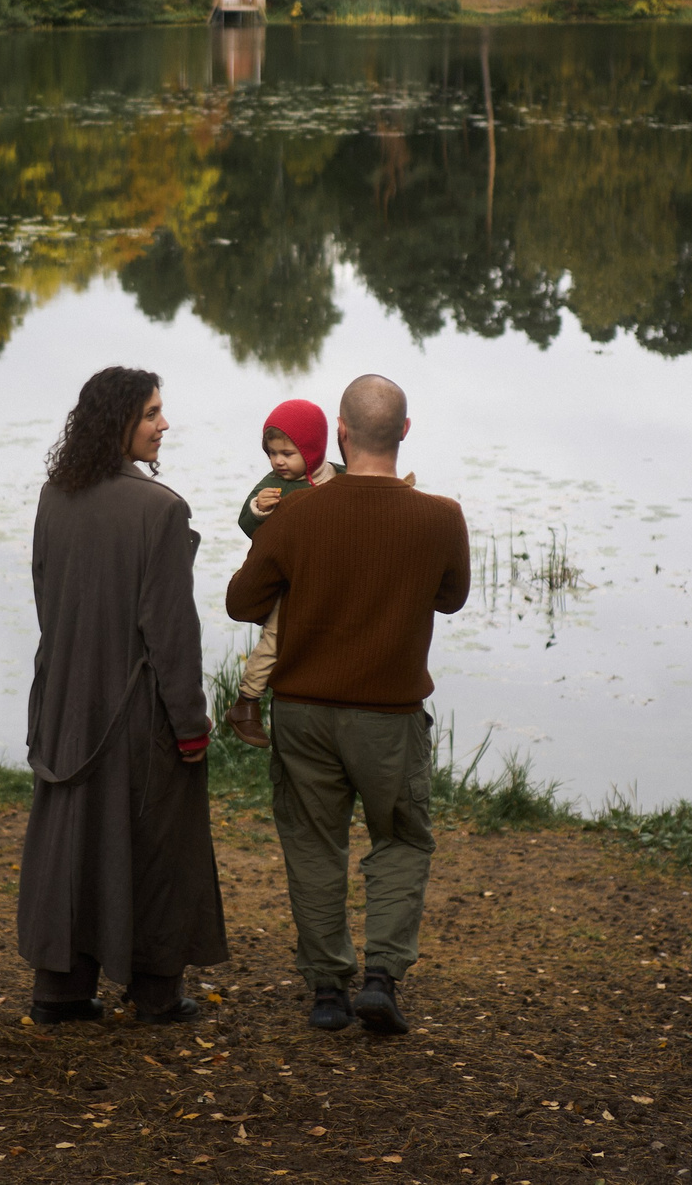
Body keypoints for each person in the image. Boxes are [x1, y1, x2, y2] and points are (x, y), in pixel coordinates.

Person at [225, 373, 470, 1036]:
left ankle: (329, 990)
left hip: (303, 713)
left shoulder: (295, 513)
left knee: (313, 843)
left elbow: (242, 603)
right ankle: (381, 978)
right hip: (390, 716)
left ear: (339, 432)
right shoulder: (441, 517)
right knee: (401, 838)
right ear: (405, 431)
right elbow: (451, 598)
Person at [17, 366, 228, 1026]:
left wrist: (58, 694)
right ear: (119, 423)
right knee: (159, 840)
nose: (164, 424)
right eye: (151, 413)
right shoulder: (161, 509)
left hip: (65, 703)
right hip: (136, 712)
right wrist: (190, 724)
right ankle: (157, 994)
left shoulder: (55, 494)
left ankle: (61, 990)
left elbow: (46, 599)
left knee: (73, 837)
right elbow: (171, 633)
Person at [222, 400, 339, 750]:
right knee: (274, 637)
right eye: (272, 453)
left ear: (313, 449)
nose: (278, 461)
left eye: (287, 453)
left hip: (329, 581)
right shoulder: (273, 486)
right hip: (289, 585)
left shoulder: (340, 475)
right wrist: (258, 508)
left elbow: (370, 492)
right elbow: (247, 524)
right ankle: (247, 701)